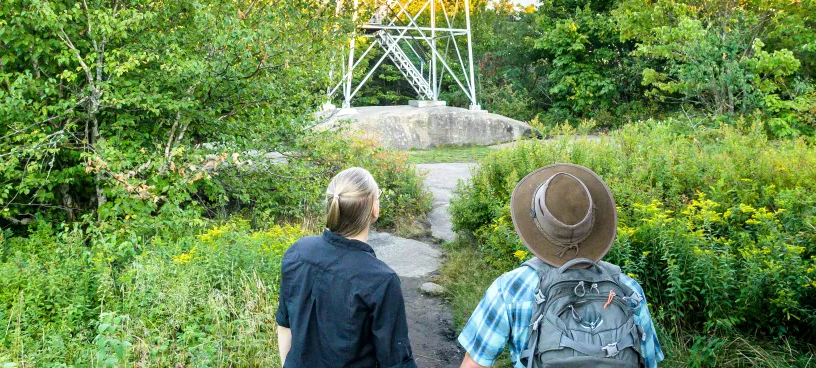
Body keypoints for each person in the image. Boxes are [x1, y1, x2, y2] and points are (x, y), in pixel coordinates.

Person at [457, 163, 664, 368]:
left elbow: (474, 364)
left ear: (536, 226)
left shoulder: (511, 288)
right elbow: (649, 361)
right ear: (595, 220)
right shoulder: (628, 289)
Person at [276, 167, 417, 368]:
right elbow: (396, 362)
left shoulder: (298, 251)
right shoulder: (381, 280)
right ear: (374, 209)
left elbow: (284, 325)